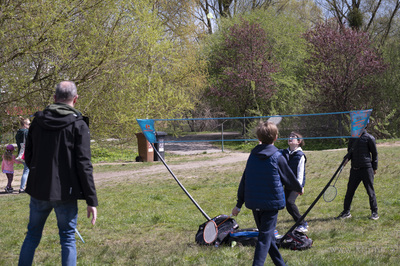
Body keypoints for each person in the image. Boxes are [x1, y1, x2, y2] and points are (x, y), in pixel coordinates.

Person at [19, 81, 98, 266]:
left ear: (54, 98)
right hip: (65, 191)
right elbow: (84, 164)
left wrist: (39, 174)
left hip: (41, 189)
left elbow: (28, 156)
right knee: (67, 238)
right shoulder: (76, 124)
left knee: (32, 235)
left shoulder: (38, 122)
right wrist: (91, 200)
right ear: (75, 99)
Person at [231, 121, 303, 266]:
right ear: (276, 137)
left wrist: (239, 204)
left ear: (259, 137)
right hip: (270, 204)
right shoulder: (278, 156)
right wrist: (298, 187)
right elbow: (288, 177)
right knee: (264, 238)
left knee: (267, 236)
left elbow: (244, 180)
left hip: (255, 203)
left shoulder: (252, 155)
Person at [336, 122, 378, 220]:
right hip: (354, 169)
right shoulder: (352, 138)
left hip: (366, 169)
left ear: (365, 126)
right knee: (349, 191)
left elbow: (375, 154)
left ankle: (374, 212)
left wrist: (374, 168)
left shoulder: (369, 138)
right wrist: (346, 159)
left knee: (370, 191)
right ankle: (346, 212)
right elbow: (350, 152)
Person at [281, 131, 308, 232]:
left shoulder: (300, 155)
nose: (290, 138)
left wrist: (300, 186)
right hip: (286, 184)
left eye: (293, 137)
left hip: (295, 184)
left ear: (298, 142)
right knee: (285, 204)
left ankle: (302, 224)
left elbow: (301, 172)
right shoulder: (284, 153)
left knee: (289, 202)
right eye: (289, 136)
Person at [15, 116, 30, 193]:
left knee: (27, 170)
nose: (29, 125)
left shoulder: (18, 132)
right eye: (28, 124)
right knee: (27, 170)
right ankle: (22, 188)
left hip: (21, 152)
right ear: (24, 124)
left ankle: (26, 187)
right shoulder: (26, 132)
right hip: (26, 153)